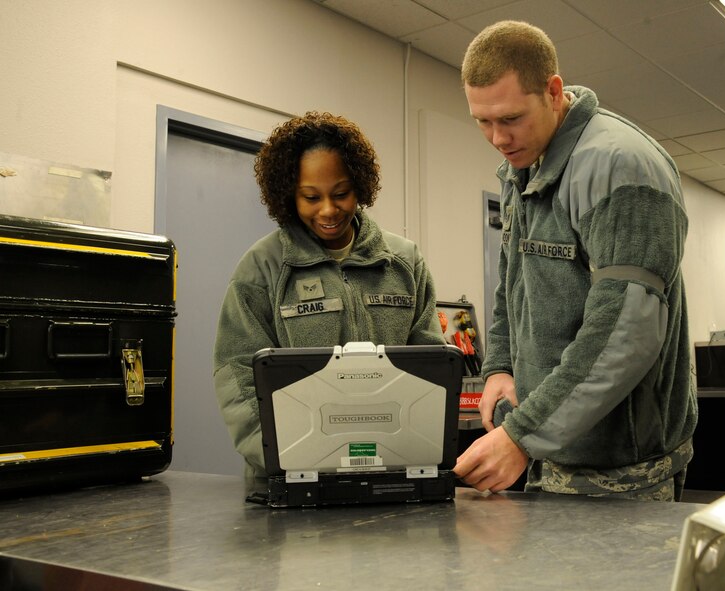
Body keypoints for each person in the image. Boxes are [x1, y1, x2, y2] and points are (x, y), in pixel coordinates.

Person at [453, 21, 697, 501]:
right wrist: (500, 366)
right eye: (483, 121)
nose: (498, 138)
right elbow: (513, 282)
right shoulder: (525, 165)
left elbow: (625, 328)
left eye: (511, 118)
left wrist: (523, 433)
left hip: (622, 468)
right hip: (552, 450)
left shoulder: (622, 168)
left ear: (553, 91)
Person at [213, 111, 445, 489]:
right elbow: (235, 373)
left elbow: (431, 367)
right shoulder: (263, 268)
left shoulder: (404, 263)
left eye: (341, 193)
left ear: (360, 186)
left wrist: (415, 450)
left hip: (391, 473)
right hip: (291, 480)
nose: (327, 210)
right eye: (310, 197)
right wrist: (283, 455)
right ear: (289, 195)